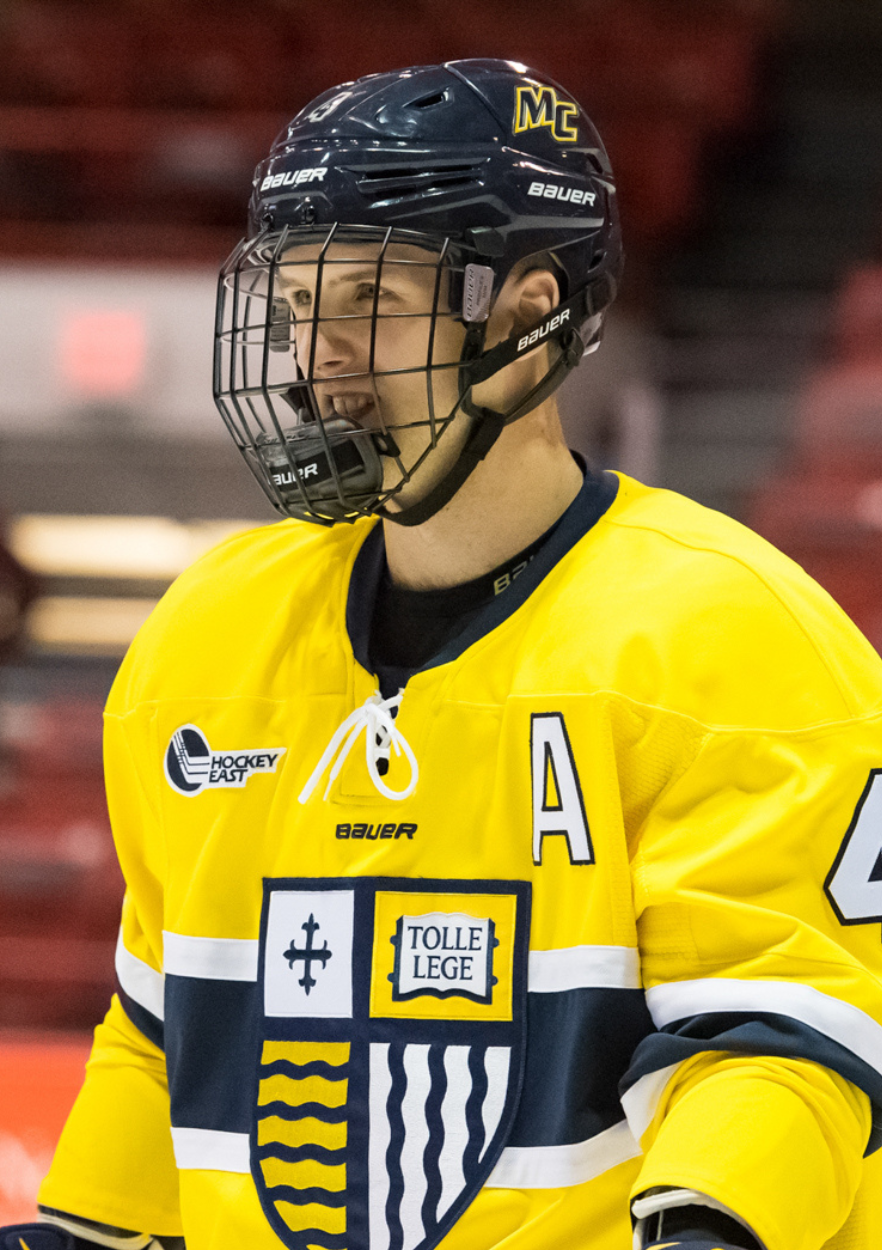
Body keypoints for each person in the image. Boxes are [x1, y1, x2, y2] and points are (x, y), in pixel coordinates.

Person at [6, 58, 882, 1250]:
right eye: (298, 302)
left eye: (369, 297)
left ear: (526, 318)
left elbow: (786, 1045)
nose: (318, 356)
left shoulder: (732, 635)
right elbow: (166, 1030)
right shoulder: (207, 634)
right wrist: (81, 1235)